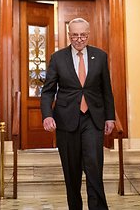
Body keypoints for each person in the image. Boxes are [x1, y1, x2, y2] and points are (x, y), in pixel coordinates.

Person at [40, 17, 115, 210]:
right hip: (66, 120)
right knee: (71, 172)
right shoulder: (58, 58)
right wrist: (47, 115)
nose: (79, 39)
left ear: (88, 35)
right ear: (69, 35)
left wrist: (110, 117)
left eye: (83, 35)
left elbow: (106, 89)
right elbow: (48, 91)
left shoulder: (100, 56)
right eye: (75, 35)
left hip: (93, 118)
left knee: (94, 168)